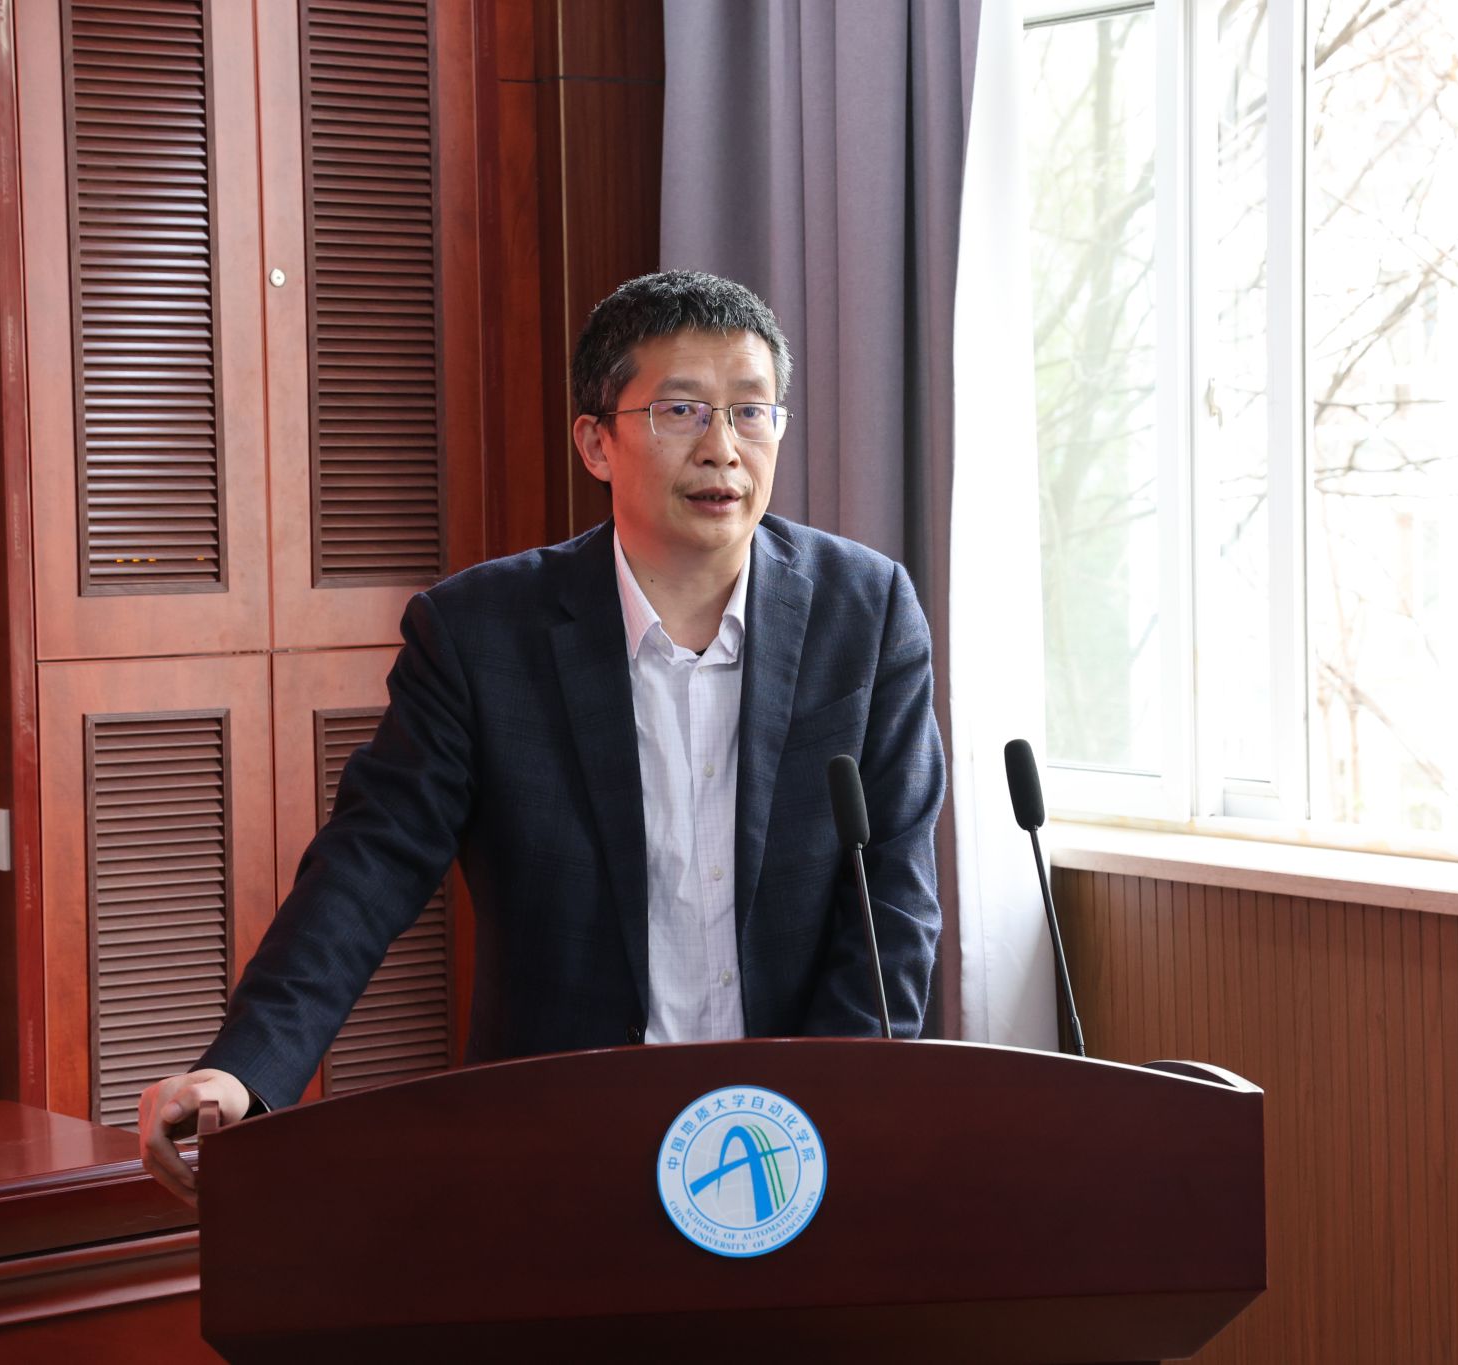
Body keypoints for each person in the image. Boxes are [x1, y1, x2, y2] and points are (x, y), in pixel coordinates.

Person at [138, 270, 944, 1203]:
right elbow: (369, 864)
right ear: (597, 442)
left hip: (792, 1146)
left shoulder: (867, 612)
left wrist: (823, 1115)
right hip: (560, 1144)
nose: (723, 448)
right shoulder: (481, 633)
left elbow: (894, 899)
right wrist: (247, 1065)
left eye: (751, 412)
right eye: (682, 410)